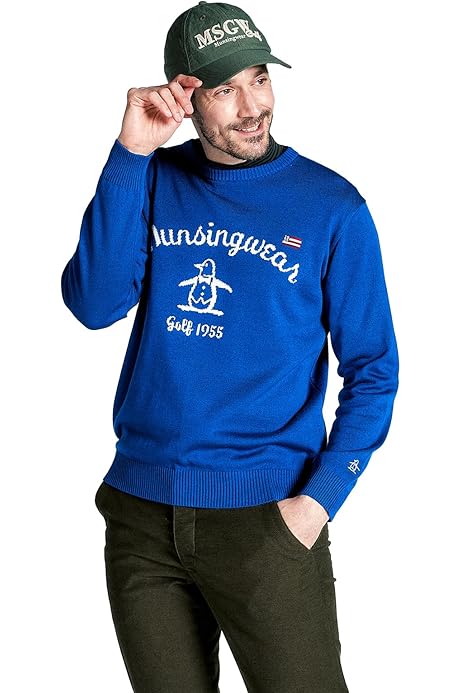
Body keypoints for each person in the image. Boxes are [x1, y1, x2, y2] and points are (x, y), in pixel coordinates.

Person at [61, 2, 399, 691]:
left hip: (268, 522)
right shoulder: (151, 179)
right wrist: (130, 154)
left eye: (260, 79)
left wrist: (317, 503)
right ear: (185, 96)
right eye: (225, 89)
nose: (253, 107)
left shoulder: (332, 207)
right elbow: (93, 304)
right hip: (142, 516)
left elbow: (374, 370)